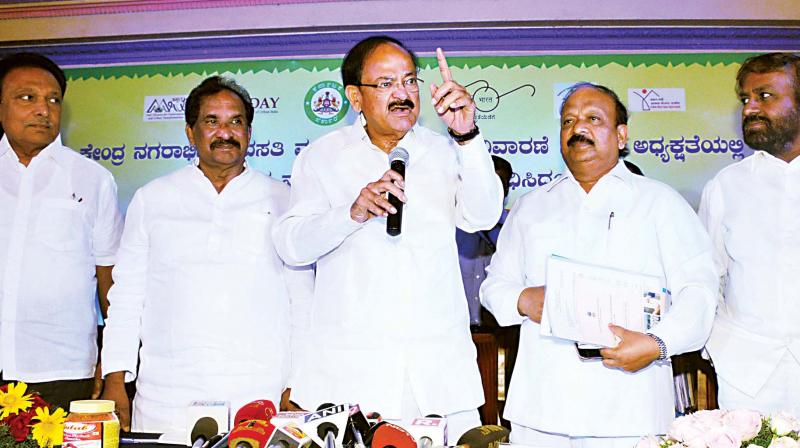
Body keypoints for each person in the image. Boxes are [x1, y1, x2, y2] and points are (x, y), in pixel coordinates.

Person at [273, 36, 503, 440]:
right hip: (351, 377)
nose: (402, 94)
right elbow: (292, 245)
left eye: (410, 81)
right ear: (355, 97)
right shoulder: (323, 156)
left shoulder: (446, 150)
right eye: (385, 84)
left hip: (438, 377)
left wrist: (467, 136)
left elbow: (482, 215)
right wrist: (351, 213)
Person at [480, 82, 717, 447]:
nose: (578, 129)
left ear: (621, 135)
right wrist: (523, 300)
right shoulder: (531, 207)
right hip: (542, 411)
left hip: (630, 408)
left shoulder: (660, 203)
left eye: (593, 118)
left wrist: (658, 343)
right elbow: (494, 287)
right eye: (568, 121)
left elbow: (699, 292)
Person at [100, 76, 313, 433]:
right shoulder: (153, 198)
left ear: (249, 132)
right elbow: (126, 297)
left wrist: (299, 380)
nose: (225, 132)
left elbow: (302, 302)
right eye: (212, 121)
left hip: (258, 395)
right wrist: (115, 378)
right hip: (165, 398)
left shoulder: (284, 200)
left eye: (236, 122)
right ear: (190, 132)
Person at [0, 52, 123, 409]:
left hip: (62, 372)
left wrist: (113, 365)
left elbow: (110, 281)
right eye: (27, 98)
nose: (44, 109)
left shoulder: (93, 179)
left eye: (54, 100)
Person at [699, 52, 800, 415]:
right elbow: (707, 278)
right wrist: (720, 349)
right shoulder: (726, 186)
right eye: (745, 99)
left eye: (765, 96)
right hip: (748, 377)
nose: (749, 109)